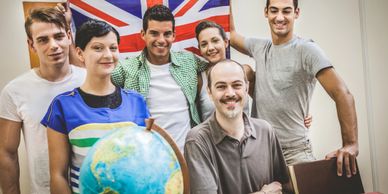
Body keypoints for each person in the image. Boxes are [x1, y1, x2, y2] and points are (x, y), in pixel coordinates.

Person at [230, 0, 358, 177]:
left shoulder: (306, 49)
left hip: (295, 151)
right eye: (274, 10)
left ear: (296, 13)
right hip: (260, 151)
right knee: (245, 71)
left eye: (286, 11)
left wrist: (350, 144)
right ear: (266, 12)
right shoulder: (260, 47)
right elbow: (231, 35)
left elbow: (342, 93)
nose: (280, 17)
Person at [40, 19, 150, 194]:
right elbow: (58, 175)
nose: (108, 55)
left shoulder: (136, 102)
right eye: (98, 48)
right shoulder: (62, 106)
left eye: (113, 48)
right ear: (80, 53)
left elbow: (144, 164)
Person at [0, 8, 86, 194]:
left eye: (58, 36)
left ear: (69, 36)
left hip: (90, 188)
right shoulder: (15, 91)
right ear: (32, 45)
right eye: (43, 40)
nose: (53, 45)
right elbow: (7, 153)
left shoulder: (89, 80)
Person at [184, 59, 289, 194]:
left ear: (246, 88)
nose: (230, 93)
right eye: (221, 86)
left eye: (237, 85)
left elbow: (283, 186)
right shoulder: (197, 141)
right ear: (209, 92)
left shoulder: (265, 131)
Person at [111, 5, 207, 151]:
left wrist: (243, 69)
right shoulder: (126, 68)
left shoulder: (190, 61)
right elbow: (96, 74)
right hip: (147, 158)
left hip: (188, 156)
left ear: (174, 35)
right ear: (143, 34)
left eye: (167, 34)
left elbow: (214, 67)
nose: (161, 40)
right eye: (154, 33)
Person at [195, 20, 312, 127]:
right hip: (212, 146)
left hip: (245, 144)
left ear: (226, 42)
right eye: (204, 44)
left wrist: (298, 112)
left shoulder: (245, 72)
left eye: (215, 41)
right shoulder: (199, 80)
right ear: (199, 48)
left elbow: (269, 100)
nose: (210, 47)